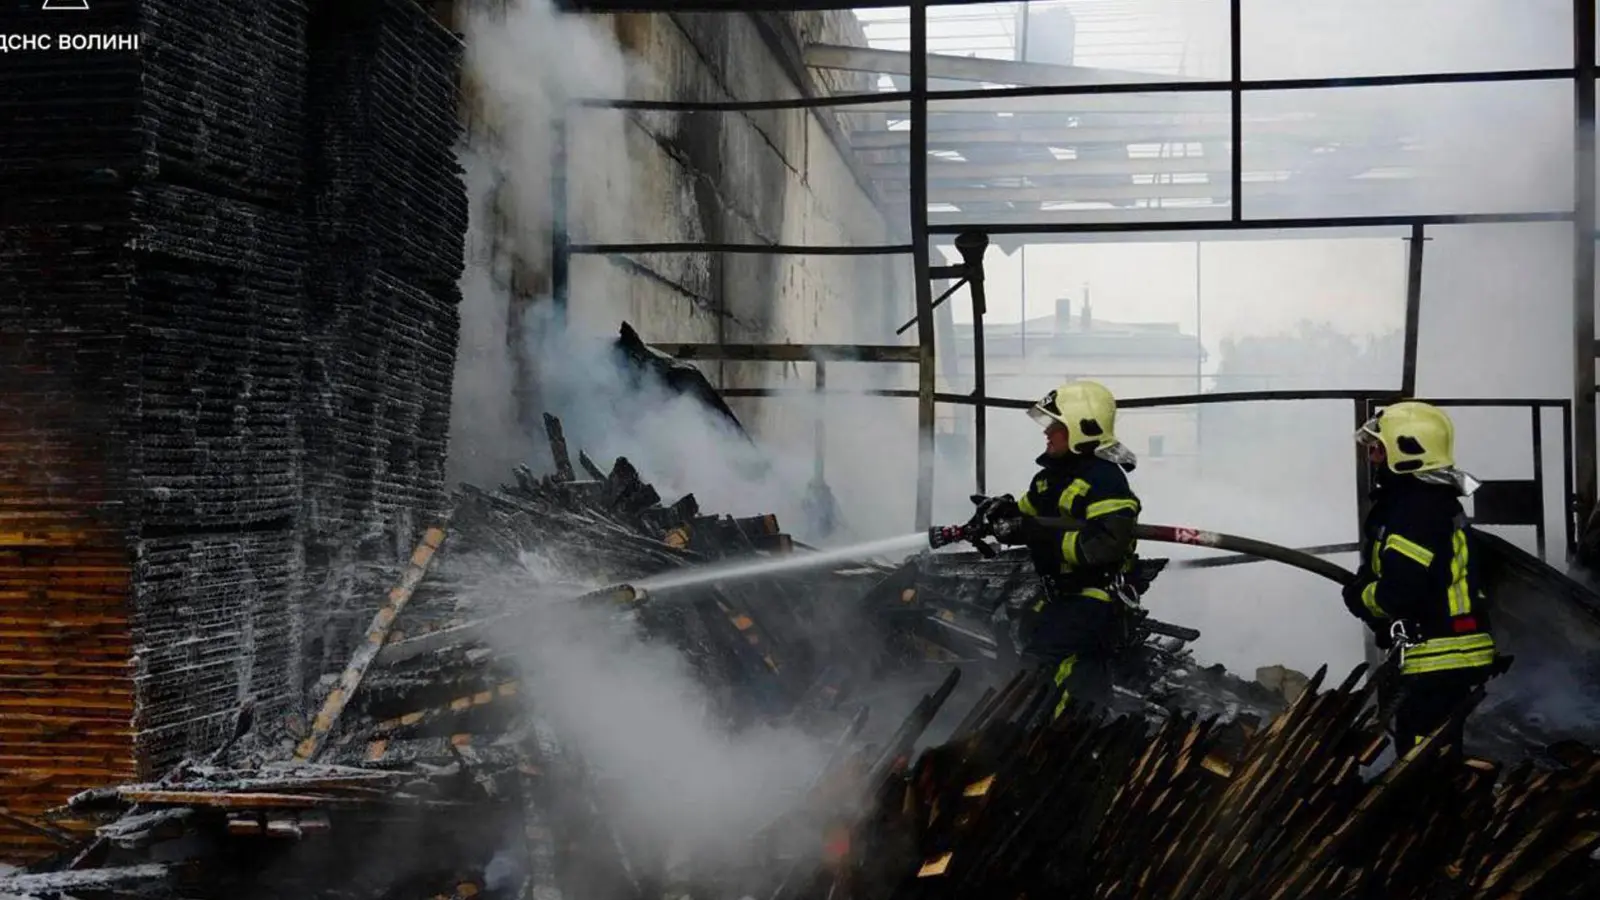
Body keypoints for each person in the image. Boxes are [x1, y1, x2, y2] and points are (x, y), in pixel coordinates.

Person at [972, 380, 1143, 720]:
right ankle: (1087, 740)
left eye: (1056, 426)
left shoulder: (1105, 479)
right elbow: (1027, 516)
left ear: (1083, 429)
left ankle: (1038, 735)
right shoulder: (1049, 479)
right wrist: (1002, 513)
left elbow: (1107, 545)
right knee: (1082, 678)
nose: (1047, 433)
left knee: (1042, 664)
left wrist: (1041, 537)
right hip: (1062, 595)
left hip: (1094, 598)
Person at [1345, 401, 1501, 755]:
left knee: (1423, 763)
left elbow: (1400, 592)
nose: (1373, 457)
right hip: (1443, 654)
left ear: (1407, 452)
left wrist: (1360, 597)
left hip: (1442, 656)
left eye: (1379, 448)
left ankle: (1441, 810)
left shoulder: (1416, 510)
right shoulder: (1420, 503)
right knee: (1427, 755)